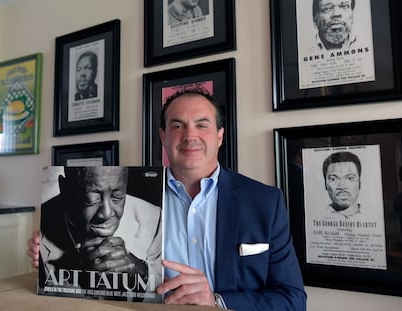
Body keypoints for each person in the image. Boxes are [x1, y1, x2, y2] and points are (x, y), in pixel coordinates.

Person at [29, 87, 306, 310]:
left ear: (220, 136)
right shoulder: (130, 208)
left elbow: (293, 299)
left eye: (202, 125)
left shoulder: (264, 202)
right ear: (163, 136)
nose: (190, 136)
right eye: (177, 126)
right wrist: (49, 253)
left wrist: (217, 302)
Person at [36, 166, 162, 300]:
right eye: (91, 200)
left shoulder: (154, 218)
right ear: (65, 188)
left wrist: (144, 275)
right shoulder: (39, 225)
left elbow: (165, 294)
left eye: (117, 197)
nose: (106, 214)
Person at [322, 151, 362, 218]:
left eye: (350, 178)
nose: (342, 186)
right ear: (325, 184)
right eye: (333, 179)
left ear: (359, 183)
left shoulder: (374, 217)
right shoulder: (317, 217)